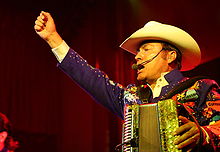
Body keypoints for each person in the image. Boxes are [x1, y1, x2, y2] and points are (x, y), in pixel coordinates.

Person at [34, 11, 220, 151]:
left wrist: (202, 134)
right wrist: (52, 38)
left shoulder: (201, 87)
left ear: (171, 56)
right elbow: (91, 78)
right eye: (138, 52)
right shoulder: (132, 96)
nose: (137, 57)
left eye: (145, 49)